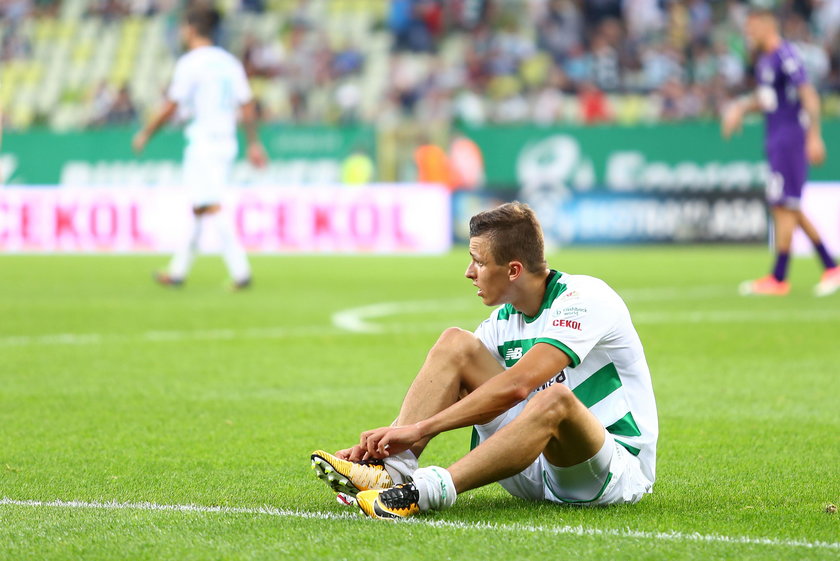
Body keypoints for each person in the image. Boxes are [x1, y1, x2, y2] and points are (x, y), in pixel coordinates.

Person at [310, 202, 658, 519]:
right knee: (455, 344)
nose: (468, 272)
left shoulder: (585, 299)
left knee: (556, 399)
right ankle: (390, 472)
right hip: (529, 462)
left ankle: (426, 491)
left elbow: (518, 386)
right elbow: (465, 392)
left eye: (479, 261)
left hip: (608, 472)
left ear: (513, 270)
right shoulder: (502, 322)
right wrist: (387, 442)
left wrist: (419, 429)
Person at [132, 6, 267, 290]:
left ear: (192, 29)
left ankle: (241, 272)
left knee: (212, 206)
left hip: (204, 142)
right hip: (226, 141)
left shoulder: (190, 63)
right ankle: (178, 272)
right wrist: (253, 143)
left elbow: (171, 105)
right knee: (200, 206)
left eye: (183, 27)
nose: (181, 32)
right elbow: (246, 105)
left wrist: (146, 133)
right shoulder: (229, 62)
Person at [722, 7, 840, 297]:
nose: (748, 33)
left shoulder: (786, 55)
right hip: (775, 137)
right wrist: (740, 107)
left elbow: (808, 94)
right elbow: (766, 100)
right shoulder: (765, 61)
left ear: (767, 25)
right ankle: (794, 274)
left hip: (790, 137)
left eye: (752, 27)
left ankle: (794, 274)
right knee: (784, 204)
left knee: (786, 204)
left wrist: (814, 136)